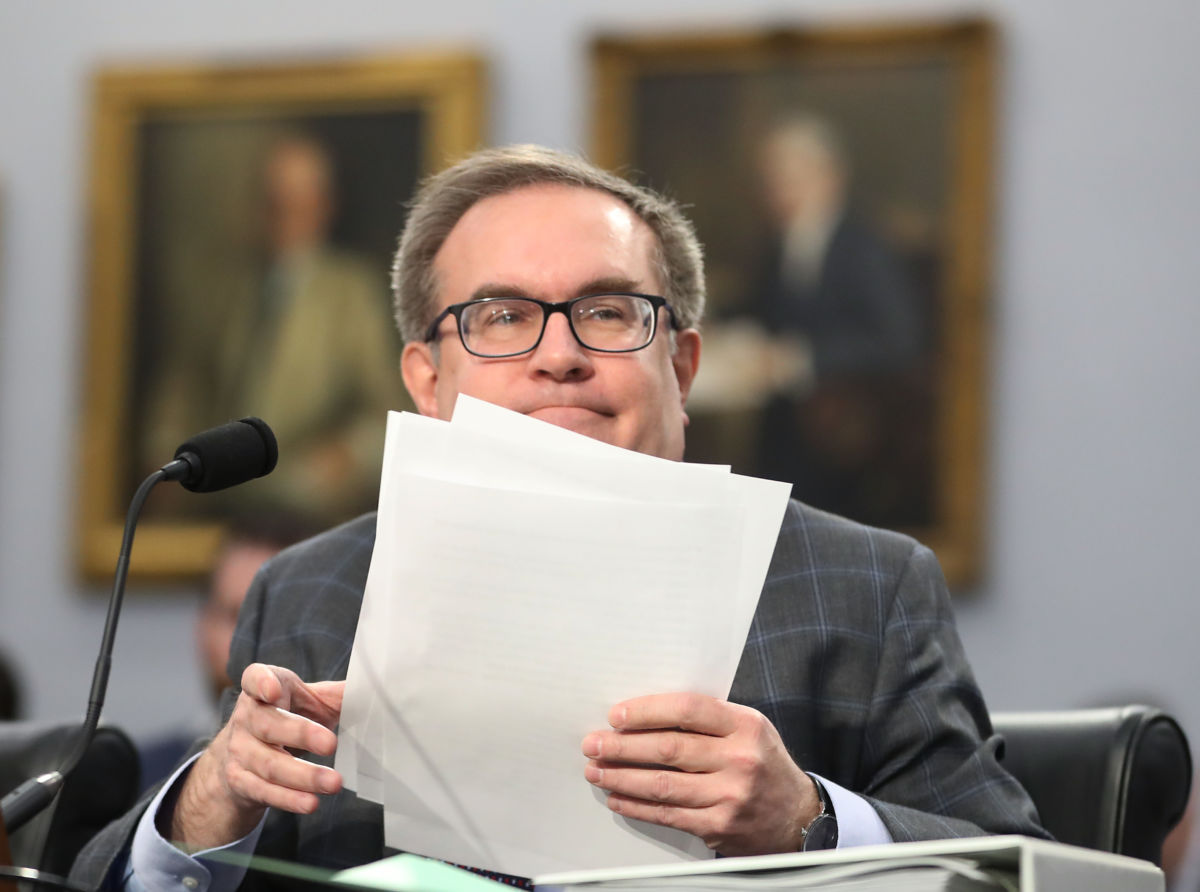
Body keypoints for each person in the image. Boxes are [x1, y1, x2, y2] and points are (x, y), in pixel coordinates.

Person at [71, 145, 1044, 890]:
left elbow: (1022, 868)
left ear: (685, 367)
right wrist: (208, 804)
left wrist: (810, 818)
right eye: (500, 317)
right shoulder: (312, 587)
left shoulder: (867, 584)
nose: (559, 356)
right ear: (425, 381)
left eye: (610, 311)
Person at [136, 514, 318, 794]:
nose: (254, 646)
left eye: (280, 620)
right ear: (203, 627)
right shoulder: (137, 780)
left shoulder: (359, 797)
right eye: (237, 616)